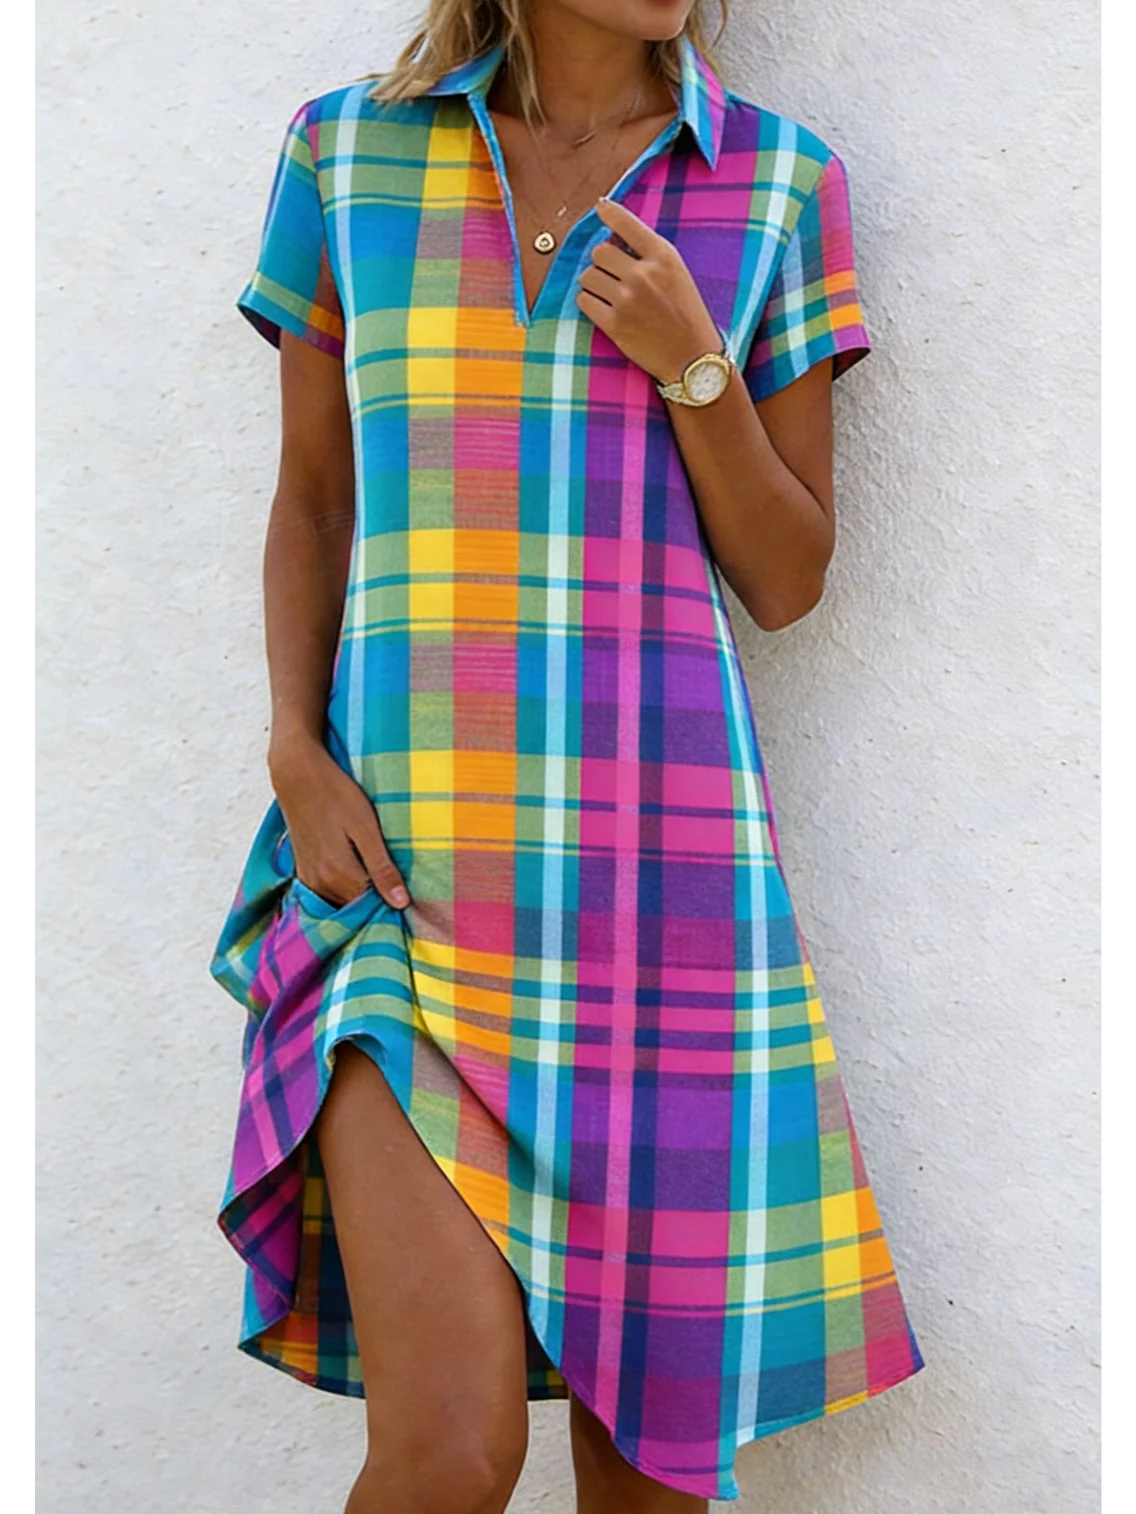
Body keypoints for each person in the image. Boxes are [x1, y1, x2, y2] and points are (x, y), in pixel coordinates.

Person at [212, 2, 923, 1509]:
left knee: (644, 1474)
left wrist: (694, 365)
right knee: (446, 1456)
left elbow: (788, 576)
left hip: (660, 918)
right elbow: (317, 495)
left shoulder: (776, 182)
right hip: (401, 894)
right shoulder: (347, 155)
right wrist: (293, 750)